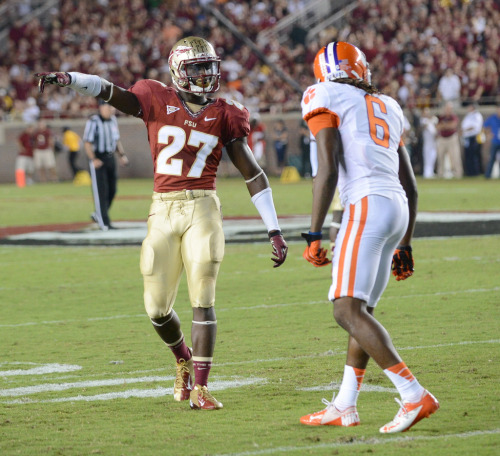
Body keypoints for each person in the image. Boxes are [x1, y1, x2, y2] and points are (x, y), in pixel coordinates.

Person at [36, 36, 288, 410]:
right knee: (156, 308)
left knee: (203, 295)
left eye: (209, 67)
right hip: (163, 209)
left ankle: (201, 388)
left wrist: (274, 228)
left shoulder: (226, 112)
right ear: (178, 72)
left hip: (203, 206)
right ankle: (182, 359)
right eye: (197, 68)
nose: (206, 74)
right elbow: (110, 92)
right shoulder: (154, 98)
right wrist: (70, 78)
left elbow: (254, 174)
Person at [299, 41, 438, 433]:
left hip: (365, 203)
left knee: (346, 310)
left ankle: (413, 394)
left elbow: (326, 169)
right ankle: (345, 404)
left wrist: (313, 232)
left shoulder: (321, 94)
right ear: (360, 70)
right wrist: (405, 241)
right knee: (361, 310)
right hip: (395, 206)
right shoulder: (389, 105)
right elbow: (410, 186)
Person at [83, 101, 129, 231]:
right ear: (101, 107)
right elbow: (87, 142)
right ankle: (104, 223)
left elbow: (116, 140)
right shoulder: (93, 121)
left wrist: (122, 155)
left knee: (112, 189)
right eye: (109, 106)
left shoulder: (113, 120)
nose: (112, 109)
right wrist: (93, 159)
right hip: (98, 158)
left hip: (110, 157)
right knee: (100, 191)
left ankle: (99, 215)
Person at [436, 102, 463, 178]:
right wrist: (446, 125)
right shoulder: (441, 117)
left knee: (455, 157)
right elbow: (438, 127)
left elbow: (453, 125)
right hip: (442, 138)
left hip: (451, 138)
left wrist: (444, 125)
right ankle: (440, 174)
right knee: (440, 157)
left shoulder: (453, 117)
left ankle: (458, 174)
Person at [460, 102, 484, 176]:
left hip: (474, 138)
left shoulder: (477, 116)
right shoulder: (468, 115)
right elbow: (463, 126)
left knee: (474, 156)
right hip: (467, 138)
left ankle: (476, 172)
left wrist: (465, 129)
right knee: (468, 156)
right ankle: (469, 172)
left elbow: (475, 127)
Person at [420, 107, 438, 179]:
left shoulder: (430, 121)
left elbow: (435, 132)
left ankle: (431, 172)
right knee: (427, 158)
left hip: (433, 143)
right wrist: (432, 120)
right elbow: (427, 127)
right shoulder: (423, 120)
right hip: (427, 143)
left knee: (433, 157)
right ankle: (426, 173)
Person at [484, 104, 500, 179]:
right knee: (492, 159)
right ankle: (488, 175)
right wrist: (489, 134)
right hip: (495, 141)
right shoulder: (493, 118)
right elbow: (485, 126)